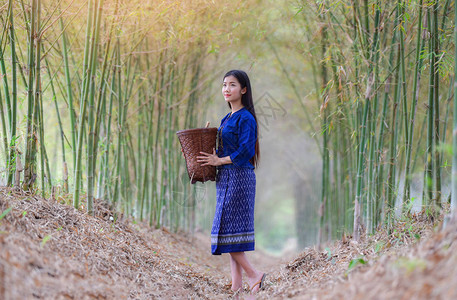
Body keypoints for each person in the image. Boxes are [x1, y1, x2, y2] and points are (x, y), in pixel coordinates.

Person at [196, 70, 266, 295]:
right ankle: (237, 287)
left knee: (225, 230)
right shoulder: (226, 118)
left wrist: (219, 160)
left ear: (244, 90)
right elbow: (225, 149)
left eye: (232, 85)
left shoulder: (246, 117)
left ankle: (255, 275)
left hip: (239, 177)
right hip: (226, 177)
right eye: (224, 84)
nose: (226, 89)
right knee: (233, 232)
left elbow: (245, 151)